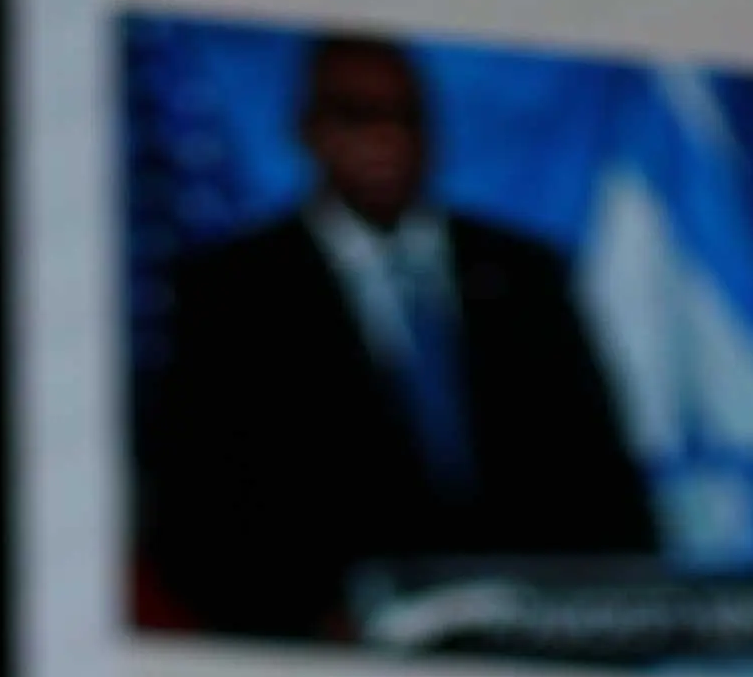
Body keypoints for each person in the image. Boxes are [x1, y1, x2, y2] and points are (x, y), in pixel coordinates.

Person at [140, 31, 656, 642]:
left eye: (406, 116)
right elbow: (197, 511)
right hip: (328, 650)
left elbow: (605, 486)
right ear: (308, 130)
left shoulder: (525, 274)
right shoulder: (232, 292)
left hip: (527, 642)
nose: (386, 137)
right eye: (357, 115)